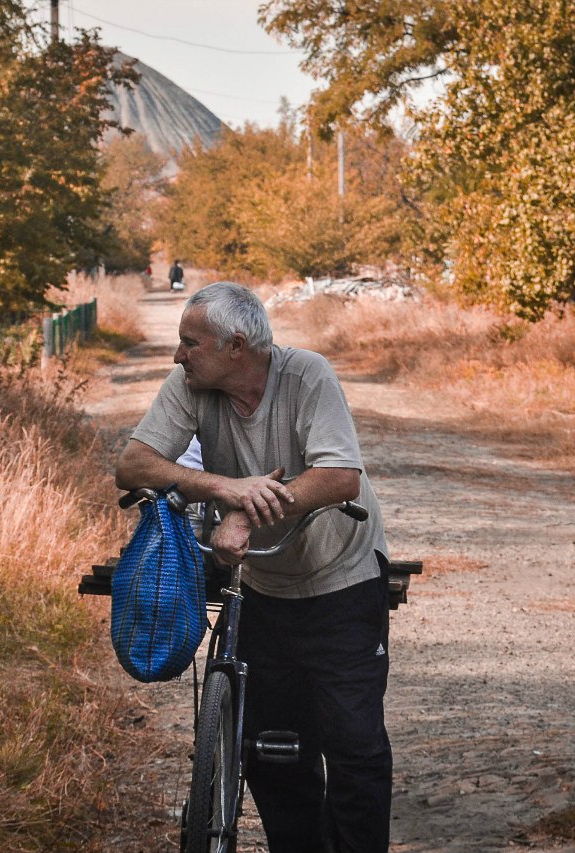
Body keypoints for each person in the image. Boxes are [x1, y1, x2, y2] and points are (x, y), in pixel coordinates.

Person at [115, 282, 392, 853]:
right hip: (263, 591)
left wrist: (244, 516)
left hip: (341, 583)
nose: (177, 355)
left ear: (236, 346)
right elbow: (133, 464)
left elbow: (340, 476)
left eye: (190, 343)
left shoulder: (306, 376)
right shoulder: (193, 385)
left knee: (354, 748)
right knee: (271, 749)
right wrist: (224, 488)